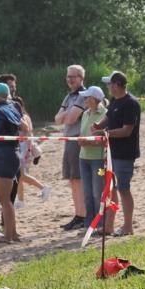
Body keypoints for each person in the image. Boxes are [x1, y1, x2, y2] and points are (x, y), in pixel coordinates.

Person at [92, 71, 141, 236]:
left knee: (124, 189)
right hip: (112, 152)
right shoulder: (115, 101)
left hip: (125, 153)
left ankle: (128, 226)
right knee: (111, 189)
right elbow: (108, 115)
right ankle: (109, 226)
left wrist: (105, 133)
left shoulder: (131, 103)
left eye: (109, 84)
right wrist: (98, 125)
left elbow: (127, 131)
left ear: (116, 85)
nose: (108, 87)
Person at [0, 83, 22, 243]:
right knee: (7, 199)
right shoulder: (13, 107)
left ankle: (8, 236)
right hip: (13, 154)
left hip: (3, 156)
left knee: (4, 199)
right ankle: (12, 233)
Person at [56, 65, 88, 232]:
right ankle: (78, 214)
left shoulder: (84, 95)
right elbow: (57, 119)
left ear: (81, 78)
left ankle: (82, 215)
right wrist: (66, 114)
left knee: (78, 178)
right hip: (69, 140)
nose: (70, 79)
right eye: (68, 76)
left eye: (73, 76)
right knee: (72, 179)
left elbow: (70, 119)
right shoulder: (69, 96)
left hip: (77, 139)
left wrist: (66, 114)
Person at [77, 86, 107, 231]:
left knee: (98, 192)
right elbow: (83, 133)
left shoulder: (105, 114)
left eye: (86, 97)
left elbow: (106, 138)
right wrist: (81, 140)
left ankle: (100, 223)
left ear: (94, 99)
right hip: (83, 158)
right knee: (87, 193)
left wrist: (90, 141)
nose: (84, 99)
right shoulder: (85, 113)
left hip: (99, 160)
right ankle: (90, 223)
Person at [11, 96, 50, 207]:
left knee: (21, 175)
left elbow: (28, 133)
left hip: (23, 149)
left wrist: (28, 150)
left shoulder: (23, 117)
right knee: (20, 176)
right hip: (21, 148)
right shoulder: (21, 116)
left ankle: (43, 188)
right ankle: (21, 200)